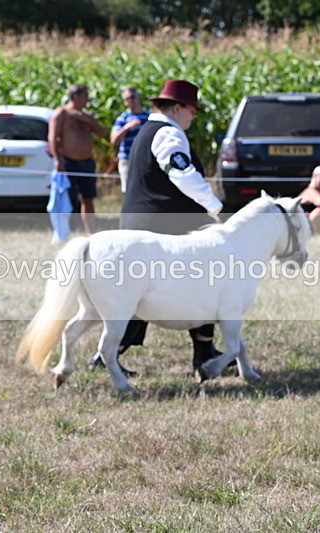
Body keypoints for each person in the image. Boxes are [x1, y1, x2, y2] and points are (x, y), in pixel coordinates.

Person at [90, 79, 223, 376]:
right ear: (177, 108)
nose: (193, 117)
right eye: (192, 111)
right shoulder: (168, 134)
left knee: (145, 292)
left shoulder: (149, 130)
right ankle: (201, 353)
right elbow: (182, 175)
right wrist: (217, 208)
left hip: (143, 224)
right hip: (163, 227)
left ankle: (203, 351)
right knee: (209, 279)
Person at [48, 83, 106, 235]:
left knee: (88, 199)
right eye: (85, 96)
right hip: (68, 162)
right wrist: (57, 159)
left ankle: (91, 232)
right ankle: (67, 231)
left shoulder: (87, 115)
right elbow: (52, 137)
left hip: (86, 163)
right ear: (75, 96)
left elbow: (101, 133)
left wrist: (87, 120)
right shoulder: (61, 114)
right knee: (68, 199)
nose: (87, 99)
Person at [110, 86, 150, 193]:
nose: (131, 101)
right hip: (127, 160)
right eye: (127, 99)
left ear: (138, 97)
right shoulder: (122, 119)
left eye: (132, 97)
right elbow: (114, 140)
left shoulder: (149, 117)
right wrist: (127, 127)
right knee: (129, 192)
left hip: (145, 159)